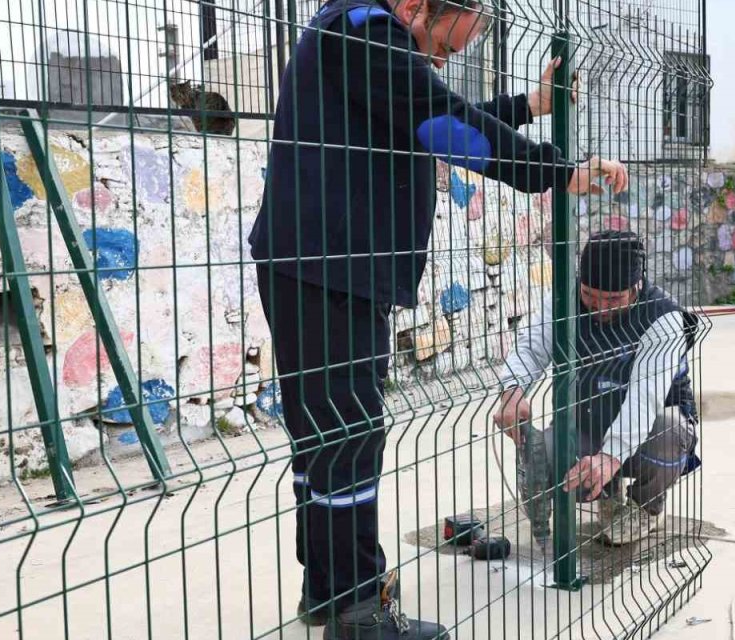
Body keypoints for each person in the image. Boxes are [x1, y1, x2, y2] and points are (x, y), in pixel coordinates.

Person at [249, 0, 630, 638]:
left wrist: (530, 106)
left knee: (327, 434)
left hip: (321, 263)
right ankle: (358, 609)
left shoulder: (357, 34)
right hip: (329, 266)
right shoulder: (365, 29)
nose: (442, 60)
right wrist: (557, 173)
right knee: (349, 432)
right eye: (445, 45)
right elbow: (439, 119)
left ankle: (328, 589)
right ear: (414, 7)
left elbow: (426, 104)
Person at [493, 230, 701, 546]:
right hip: (588, 423)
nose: (600, 308)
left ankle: (646, 508)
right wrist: (513, 389)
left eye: (613, 299)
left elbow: (645, 398)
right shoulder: (565, 299)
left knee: (671, 429)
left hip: (650, 432)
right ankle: (607, 492)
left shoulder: (664, 318)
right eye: (591, 295)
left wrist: (611, 455)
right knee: (539, 456)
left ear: (637, 286)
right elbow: (532, 345)